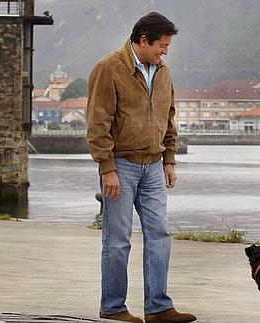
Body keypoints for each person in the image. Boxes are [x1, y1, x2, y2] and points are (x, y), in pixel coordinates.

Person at [86, 12, 196, 323]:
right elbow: (97, 123)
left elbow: (168, 117)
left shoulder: (163, 71)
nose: (166, 51)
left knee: (159, 234)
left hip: (154, 165)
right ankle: (113, 307)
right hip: (120, 165)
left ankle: (159, 307)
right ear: (143, 40)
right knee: (118, 239)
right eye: (162, 45)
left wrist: (170, 159)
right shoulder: (108, 69)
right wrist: (107, 168)